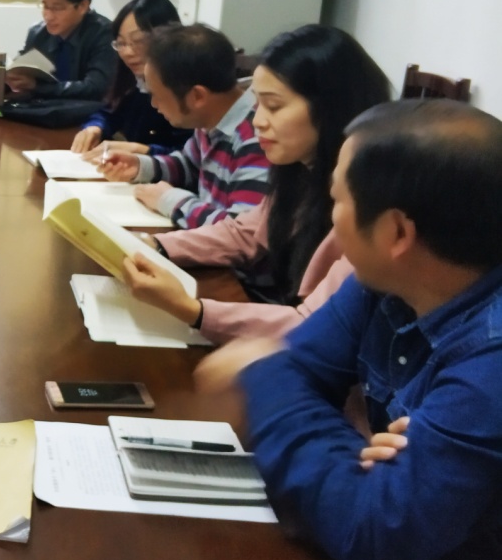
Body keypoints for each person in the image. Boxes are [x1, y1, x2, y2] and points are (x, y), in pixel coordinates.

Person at [195, 99, 502, 560]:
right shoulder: (386, 281)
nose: (331, 219)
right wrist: (359, 454)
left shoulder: (491, 364)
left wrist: (261, 374)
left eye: (338, 199)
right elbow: (302, 367)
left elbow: (373, 528)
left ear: (396, 231)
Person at [120, 24, 391, 343]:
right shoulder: (301, 170)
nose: (258, 120)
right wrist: (155, 246)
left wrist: (192, 309)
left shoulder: (367, 204)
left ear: (331, 106)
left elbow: (313, 326)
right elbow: (245, 232)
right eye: (257, 104)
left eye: (273, 106)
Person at [99, 24, 271, 229]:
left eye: (157, 95)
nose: (154, 104)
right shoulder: (210, 119)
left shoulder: (258, 138)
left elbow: (239, 231)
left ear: (197, 96)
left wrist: (169, 200)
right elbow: (189, 165)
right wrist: (141, 166)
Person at [0, 0, 117, 127]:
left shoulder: (104, 34)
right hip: (44, 115)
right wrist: (12, 77)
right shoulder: (38, 32)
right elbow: (23, 69)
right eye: (45, 5)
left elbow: (95, 88)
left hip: (85, 122)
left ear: (83, 6)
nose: (48, 16)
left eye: (56, 8)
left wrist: (37, 87)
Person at [69, 0, 192, 156]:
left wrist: (143, 151)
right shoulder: (133, 81)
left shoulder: (188, 90)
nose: (127, 52)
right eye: (121, 43)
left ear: (167, 38)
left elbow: (192, 159)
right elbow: (110, 111)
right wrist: (95, 127)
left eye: (138, 41)